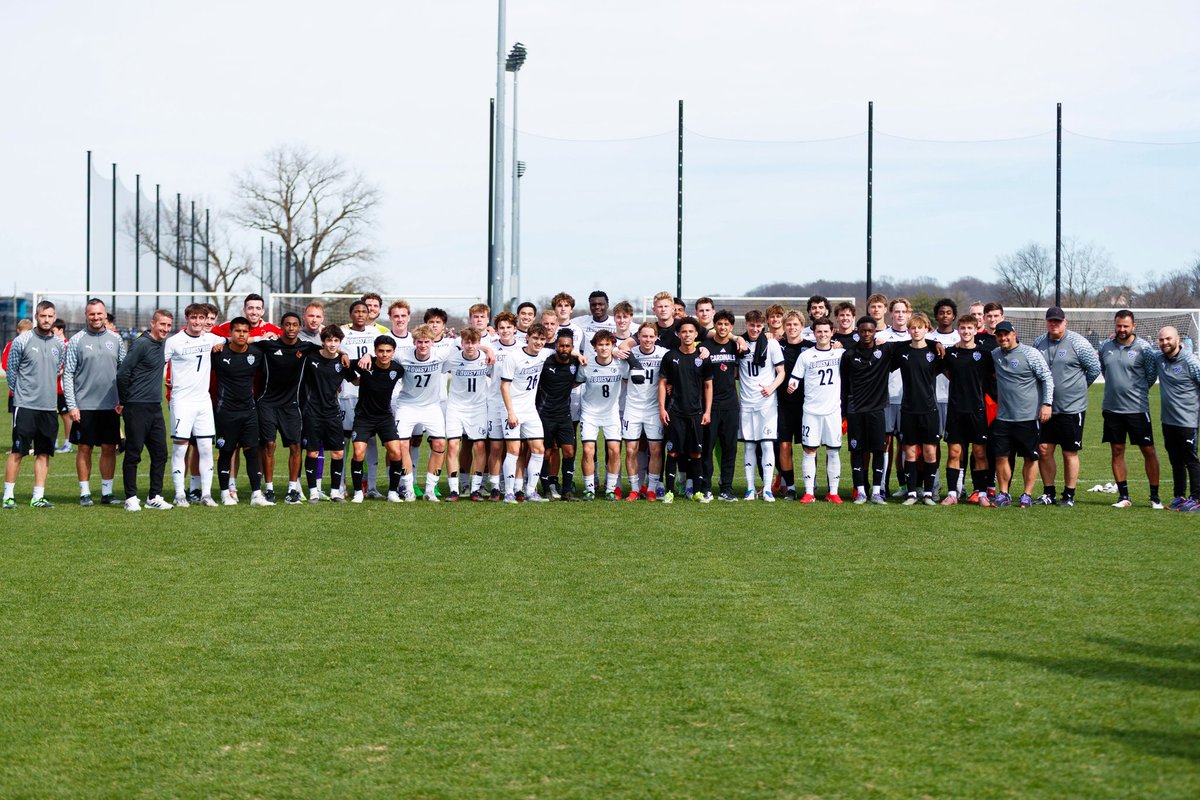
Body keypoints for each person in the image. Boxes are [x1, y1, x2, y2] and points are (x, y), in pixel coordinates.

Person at [1032, 306, 1100, 507]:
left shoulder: (1079, 343)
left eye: (1058, 321)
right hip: (1046, 406)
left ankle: (1069, 494)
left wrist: (1077, 389)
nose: (1054, 324)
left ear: (1065, 321)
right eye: (1051, 321)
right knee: (1044, 449)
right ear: (1046, 322)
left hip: (1072, 408)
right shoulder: (1039, 343)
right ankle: (1048, 492)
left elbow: (1094, 369)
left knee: (1069, 452)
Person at [62, 298, 124, 506]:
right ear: (86, 316)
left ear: (105, 315)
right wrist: (72, 404)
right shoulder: (76, 340)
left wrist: (123, 400)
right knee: (84, 448)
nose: (96, 317)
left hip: (111, 405)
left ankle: (107, 493)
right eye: (92, 314)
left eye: (99, 313)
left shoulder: (116, 340)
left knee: (109, 447)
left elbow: (123, 371)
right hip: (84, 406)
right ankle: (85, 493)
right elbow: (68, 374)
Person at [3, 301, 64, 509]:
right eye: (42, 316)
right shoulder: (23, 340)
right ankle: (8, 496)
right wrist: (22, 394)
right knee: (18, 451)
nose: (46, 320)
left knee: (44, 452)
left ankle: (38, 497)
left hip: (48, 406)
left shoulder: (59, 344)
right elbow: (11, 372)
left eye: (50, 316)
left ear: (54, 318)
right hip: (26, 405)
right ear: (36, 316)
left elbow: (56, 370)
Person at [1099, 310, 1162, 508]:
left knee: (1148, 450)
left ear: (1133, 326)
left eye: (1126, 326)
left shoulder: (1144, 348)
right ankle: (1124, 496)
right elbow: (1105, 369)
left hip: (1137, 408)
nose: (1122, 329)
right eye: (1119, 325)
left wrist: (1136, 391)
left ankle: (1154, 497)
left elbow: (1151, 376)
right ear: (1114, 325)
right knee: (1117, 450)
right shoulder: (1105, 347)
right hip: (1112, 408)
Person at [163, 304, 225, 506]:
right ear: (187, 318)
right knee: (180, 448)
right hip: (182, 401)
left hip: (203, 402)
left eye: (202, 318)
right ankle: (180, 494)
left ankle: (206, 494)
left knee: (206, 447)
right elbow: (158, 365)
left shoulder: (211, 338)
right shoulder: (174, 341)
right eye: (194, 318)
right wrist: (166, 378)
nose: (198, 322)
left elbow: (234, 339)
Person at [115, 308, 175, 511]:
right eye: (162, 324)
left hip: (155, 407)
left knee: (160, 453)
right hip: (136, 407)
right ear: (153, 323)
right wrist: (125, 401)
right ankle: (130, 498)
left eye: (168, 325)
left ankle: (154, 496)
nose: (165, 328)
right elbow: (123, 373)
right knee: (134, 452)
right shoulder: (141, 344)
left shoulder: (162, 344)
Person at [210, 318, 274, 507]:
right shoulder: (219, 353)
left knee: (252, 451)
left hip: (249, 411)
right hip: (225, 412)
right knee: (227, 451)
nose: (241, 334)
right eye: (237, 331)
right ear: (230, 333)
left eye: (245, 331)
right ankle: (224, 493)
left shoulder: (256, 353)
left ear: (249, 333)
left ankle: (256, 494)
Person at [989, 321, 1054, 508]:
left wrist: (1047, 404)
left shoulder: (1030, 354)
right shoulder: (995, 355)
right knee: (1001, 456)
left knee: (1030, 457)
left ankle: (1027, 494)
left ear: (1014, 334)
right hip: (1003, 417)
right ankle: (1003, 493)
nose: (1003, 338)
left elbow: (1047, 379)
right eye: (999, 335)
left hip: (1028, 417)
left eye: (1006, 334)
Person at [840, 316, 903, 504]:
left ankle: (876, 491)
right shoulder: (849, 354)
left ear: (876, 332)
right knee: (857, 450)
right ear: (857, 331)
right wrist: (843, 412)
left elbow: (910, 344)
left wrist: (936, 342)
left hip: (877, 410)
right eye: (863, 331)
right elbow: (844, 385)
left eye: (870, 331)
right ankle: (860, 491)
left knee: (878, 450)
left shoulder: (885, 349)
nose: (866, 334)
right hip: (855, 409)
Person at [256, 312, 316, 504]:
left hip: (291, 405)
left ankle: (292, 490)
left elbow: (328, 350)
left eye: (295, 325)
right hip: (267, 403)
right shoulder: (268, 345)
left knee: (296, 446)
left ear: (300, 327)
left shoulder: (305, 348)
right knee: (269, 445)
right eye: (287, 324)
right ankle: (270, 489)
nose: (291, 328)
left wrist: (344, 354)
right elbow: (242, 346)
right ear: (281, 326)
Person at [936, 314, 993, 506]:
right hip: (955, 411)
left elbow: (993, 377)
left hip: (977, 410)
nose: (966, 332)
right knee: (954, 453)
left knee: (979, 453)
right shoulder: (950, 353)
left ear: (976, 330)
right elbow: (941, 368)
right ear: (958, 330)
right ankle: (952, 493)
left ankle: (982, 493)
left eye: (970, 328)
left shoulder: (985, 355)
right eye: (963, 328)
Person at [787, 317, 845, 503]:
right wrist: (792, 385)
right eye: (819, 331)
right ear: (813, 333)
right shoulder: (805, 356)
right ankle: (809, 492)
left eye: (826, 331)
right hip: (811, 412)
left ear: (832, 332)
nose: (822, 334)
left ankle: (833, 492)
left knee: (833, 451)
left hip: (833, 412)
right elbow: (795, 377)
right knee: (809, 451)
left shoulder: (841, 354)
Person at [343, 335, 407, 503]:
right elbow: (345, 362)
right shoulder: (365, 364)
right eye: (380, 351)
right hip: (364, 417)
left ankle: (392, 492)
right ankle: (358, 492)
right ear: (375, 351)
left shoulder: (398, 369)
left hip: (385, 417)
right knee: (358, 453)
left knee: (396, 451)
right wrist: (354, 379)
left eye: (388, 351)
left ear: (393, 352)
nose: (384, 354)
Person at [889, 312, 944, 505]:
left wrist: (934, 342)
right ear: (908, 330)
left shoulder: (935, 352)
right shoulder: (901, 351)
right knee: (909, 453)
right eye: (912, 328)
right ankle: (911, 493)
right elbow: (887, 349)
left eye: (920, 327)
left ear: (927, 329)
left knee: (930, 452)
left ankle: (928, 493)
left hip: (929, 410)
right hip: (908, 410)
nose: (916, 331)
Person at [392, 324, 451, 501]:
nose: (423, 346)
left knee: (440, 444)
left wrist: (488, 350)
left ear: (432, 342)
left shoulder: (440, 354)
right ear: (414, 342)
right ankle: (409, 488)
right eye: (419, 342)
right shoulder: (402, 355)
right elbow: (381, 354)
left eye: (426, 342)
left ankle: (430, 490)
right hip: (407, 405)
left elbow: (463, 343)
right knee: (402, 446)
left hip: (431, 407)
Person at [658, 317, 712, 504]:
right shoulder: (670, 356)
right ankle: (669, 492)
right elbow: (663, 383)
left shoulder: (703, 357)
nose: (687, 334)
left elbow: (708, 386)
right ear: (678, 334)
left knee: (696, 453)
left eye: (690, 331)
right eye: (683, 331)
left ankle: (697, 492)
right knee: (672, 452)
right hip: (675, 412)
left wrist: (708, 411)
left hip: (696, 413)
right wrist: (662, 409)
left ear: (696, 334)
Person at [499, 323, 551, 502]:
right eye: (535, 338)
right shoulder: (513, 357)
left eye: (542, 339)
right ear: (527, 337)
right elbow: (504, 386)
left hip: (530, 410)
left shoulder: (544, 353)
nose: (538, 342)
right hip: (512, 409)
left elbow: (561, 351)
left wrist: (578, 355)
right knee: (513, 450)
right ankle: (509, 492)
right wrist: (510, 413)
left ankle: (530, 491)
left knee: (539, 449)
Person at [1151, 326, 1200, 511]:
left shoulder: (1190, 361)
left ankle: (1196, 498)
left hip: (1188, 420)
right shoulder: (1159, 359)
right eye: (1161, 339)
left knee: (1191, 459)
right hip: (1168, 420)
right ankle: (1179, 495)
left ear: (1178, 339)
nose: (1165, 343)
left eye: (1168, 339)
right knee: (1175, 460)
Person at [738, 309, 785, 501]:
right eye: (752, 325)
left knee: (767, 445)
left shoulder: (772, 344)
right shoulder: (739, 343)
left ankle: (766, 488)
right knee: (749, 446)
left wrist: (771, 387)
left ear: (763, 325)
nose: (755, 329)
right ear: (746, 324)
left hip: (767, 404)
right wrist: (736, 339)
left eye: (758, 326)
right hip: (746, 403)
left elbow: (781, 372)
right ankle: (750, 488)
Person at [578, 330, 629, 500]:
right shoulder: (586, 364)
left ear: (613, 345)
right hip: (590, 413)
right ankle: (589, 488)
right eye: (600, 344)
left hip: (611, 413)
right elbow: (573, 383)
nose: (604, 348)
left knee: (614, 450)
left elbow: (634, 379)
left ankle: (610, 489)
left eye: (607, 344)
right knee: (587, 450)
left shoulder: (621, 364)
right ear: (594, 347)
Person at [302, 325, 350, 502]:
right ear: (323, 341)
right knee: (312, 452)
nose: (332, 344)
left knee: (338, 452)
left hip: (333, 413)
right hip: (312, 412)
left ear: (340, 342)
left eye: (336, 340)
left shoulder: (343, 362)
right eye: (329, 340)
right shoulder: (311, 357)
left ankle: (335, 492)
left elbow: (357, 380)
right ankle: (314, 491)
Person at [444, 327, 491, 501]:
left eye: (474, 342)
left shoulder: (487, 359)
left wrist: (489, 351)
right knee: (453, 446)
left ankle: (475, 490)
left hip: (478, 408)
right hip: (455, 408)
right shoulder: (452, 359)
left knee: (479, 446)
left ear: (479, 343)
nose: (470, 346)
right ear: (461, 343)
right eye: (467, 342)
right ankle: (454, 490)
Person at [340, 300, 382, 497]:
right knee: (345, 439)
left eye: (364, 311)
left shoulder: (376, 334)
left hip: (370, 395)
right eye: (356, 311)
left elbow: (386, 352)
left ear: (368, 314)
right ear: (351, 314)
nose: (360, 314)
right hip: (348, 393)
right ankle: (341, 484)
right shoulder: (343, 334)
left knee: (370, 439)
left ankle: (370, 486)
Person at [622, 321, 668, 501]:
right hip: (632, 408)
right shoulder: (629, 354)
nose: (647, 340)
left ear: (656, 337)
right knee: (631, 449)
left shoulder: (664, 353)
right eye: (644, 336)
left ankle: (651, 489)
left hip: (654, 409)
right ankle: (634, 489)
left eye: (651, 336)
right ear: (638, 337)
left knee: (655, 449)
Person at [534, 328, 582, 499]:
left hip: (564, 415)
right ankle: (546, 489)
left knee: (569, 451)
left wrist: (578, 356)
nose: (564, 349)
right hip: (544, 414)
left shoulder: (575, 363)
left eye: (567, 346)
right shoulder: (545, 362)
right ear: (556, 346)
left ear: (572, 347)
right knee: (546, 452)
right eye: (561, 346)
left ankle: (567, 491)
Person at [702, 310, 740, 502]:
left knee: (729, 448)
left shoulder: (736, 346)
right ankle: (706, 488)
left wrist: (742, 341)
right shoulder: (705, 347)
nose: (723, 327)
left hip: (731, 405)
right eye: (720, 324)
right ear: (714, 325)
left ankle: (726, 488)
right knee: (707, 448)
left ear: (731, 327)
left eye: (726, 324)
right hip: (710, 406)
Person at [485, 312, 524, 499]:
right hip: (494, 403)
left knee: (515, 448)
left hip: (515, 405)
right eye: (501, 327)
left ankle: (517, 486)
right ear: (497, 330)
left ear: (515, 329)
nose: (505, 331)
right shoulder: (490, 347)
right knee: (495, 447)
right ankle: (494, 485)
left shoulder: (523, 348)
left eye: (509, 327)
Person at [776, 310, 811, 499]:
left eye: (795, 324)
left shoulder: (811, 347)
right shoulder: (777, 346)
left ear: (802, 326)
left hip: (807, 405)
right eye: (788, 324)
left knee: (809, 447)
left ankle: (810, 485)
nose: (791, 328)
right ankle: (789, 486)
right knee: (784, 445)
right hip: (783, 404)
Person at [572, 290, 617, 360]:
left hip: (611, 367)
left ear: (607, 305)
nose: (597, 307)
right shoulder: (581, 322)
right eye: (593, 305)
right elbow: (562, 323)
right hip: (588, 367)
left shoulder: (617, 322)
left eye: (600, 304)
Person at [52, 318, 73, 453]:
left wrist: (54, 373)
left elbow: (68, 367)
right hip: (52, 388)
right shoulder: (53, 345)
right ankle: (53, 442)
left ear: (61, 330)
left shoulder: (67, 345)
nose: (51, 333)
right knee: (52, 416)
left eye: (53, 330)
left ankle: (68, 444)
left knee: (66, 416)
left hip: (63, 388)